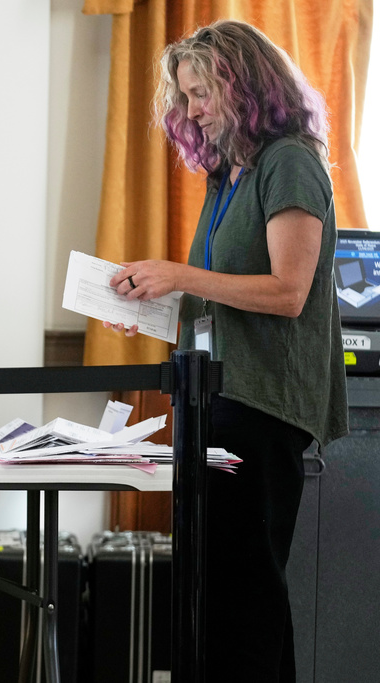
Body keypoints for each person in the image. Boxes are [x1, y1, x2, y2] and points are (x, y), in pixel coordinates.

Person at [102, 20, 349, 683]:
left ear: (244, 84)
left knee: (245, 602)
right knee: (221, 600)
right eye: (184, 96)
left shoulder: (290, 160)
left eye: (201, 91)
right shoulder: (227, 176)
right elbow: (219, 298)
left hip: (263, 408)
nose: (192, 110)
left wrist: (178, 275)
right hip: (217, 401)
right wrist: (149, 299)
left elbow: (287, 290)